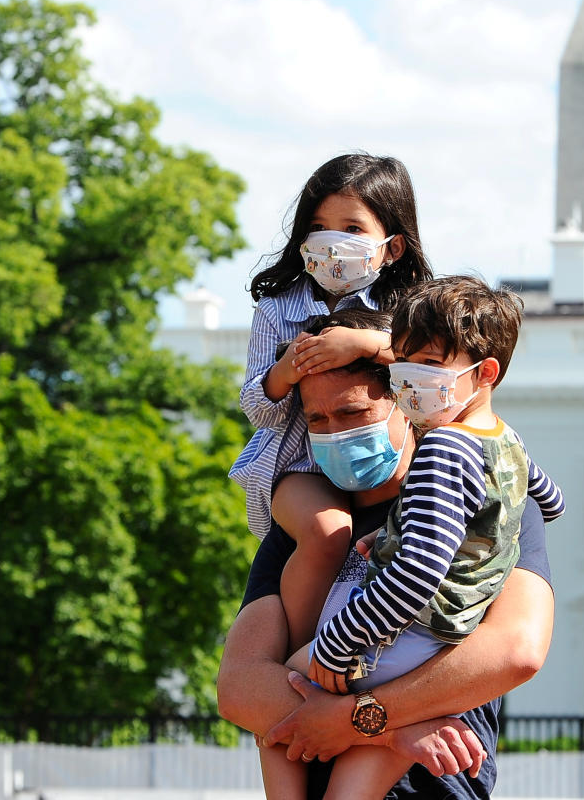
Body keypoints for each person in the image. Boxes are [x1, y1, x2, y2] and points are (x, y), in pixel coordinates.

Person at [216, 310, 554, 799]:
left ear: (405, 400)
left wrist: (357, 717)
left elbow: (515, 651)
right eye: (317, 419)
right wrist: (390, 727)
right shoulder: (304, 526)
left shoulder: (489, 501)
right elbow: (240, 685)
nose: (334, 432)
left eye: (353, 413)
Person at [229, 153, 433, 656]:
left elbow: (433, 372)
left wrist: (365, 345)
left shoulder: (412, 311)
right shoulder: (278, 309)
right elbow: (258, 408)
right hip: (300, 462)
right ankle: (301, 653)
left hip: (387, 463)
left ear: (393, 246)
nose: (332, 240)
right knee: (326, 532)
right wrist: (286, 372)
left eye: (351, 227)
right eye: (318, 226)